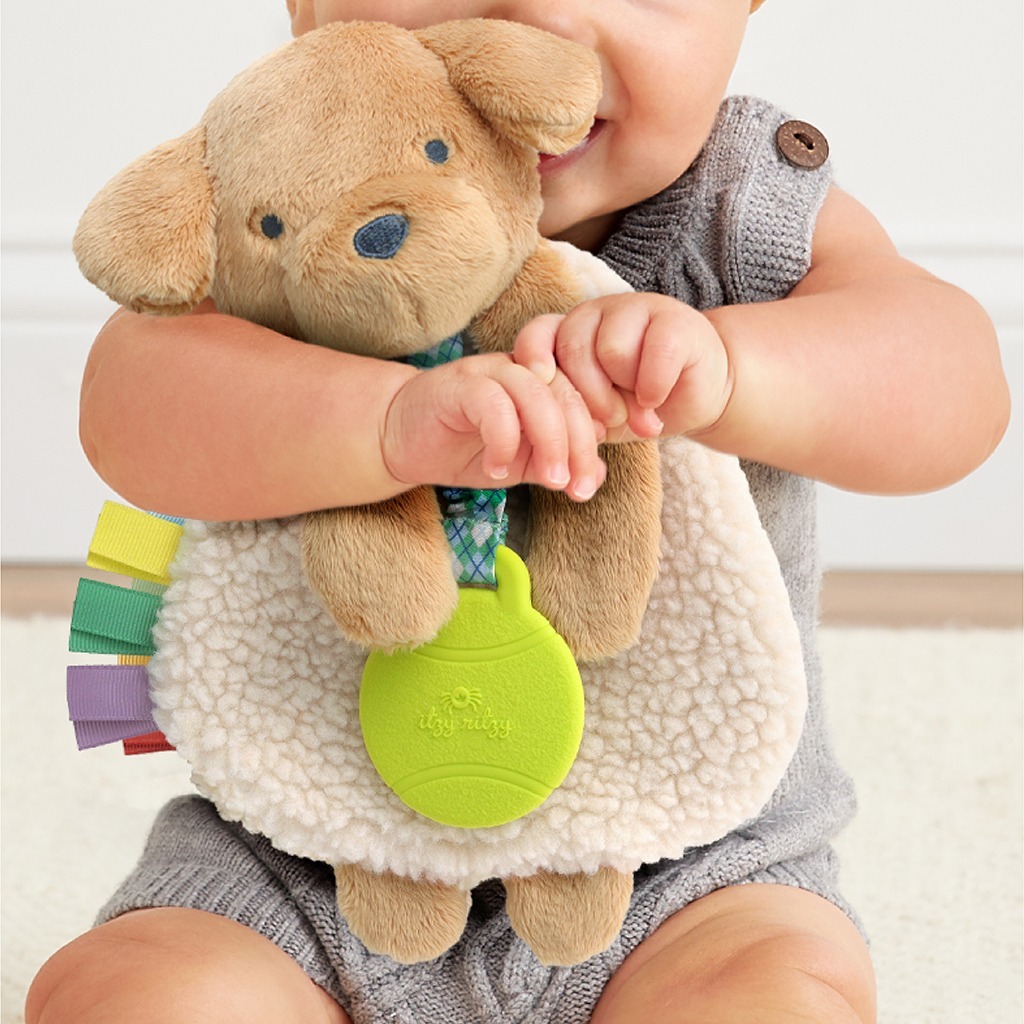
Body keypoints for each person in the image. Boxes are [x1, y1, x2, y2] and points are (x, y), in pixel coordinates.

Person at [27, 1, 1009, 1022]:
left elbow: (954, 387)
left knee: (770, 992)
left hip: (695, 873)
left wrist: (733, 369)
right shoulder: (280, 190)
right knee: (139, 991)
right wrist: (381, 427)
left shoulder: (742, 206)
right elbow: (129, 404)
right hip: (297, 865)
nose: (538, 16)